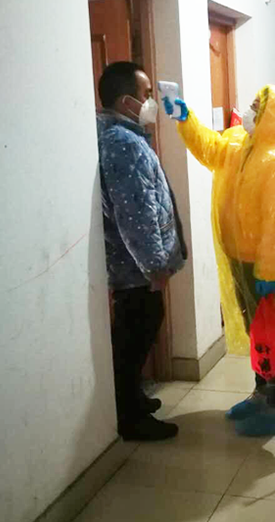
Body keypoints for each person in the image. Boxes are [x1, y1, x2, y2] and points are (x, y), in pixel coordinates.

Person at [163, 85, 275, 436]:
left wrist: (268, 271)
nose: (249, 111)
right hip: (237, 256)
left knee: (272, 336)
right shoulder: (239, 144)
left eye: (258, 107)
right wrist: (186, 119)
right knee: (255, 332)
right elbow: (210, 149)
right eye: (253, 105)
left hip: (262, 267)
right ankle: (260, 394)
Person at [97, 61, 187, 442]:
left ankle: (133, 398)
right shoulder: (123, 143)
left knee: (138, 332)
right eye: (146, 94)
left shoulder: (123, 136)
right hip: (135, 269)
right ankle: (130, 417)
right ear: (126, 101)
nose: (151, 101)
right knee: (134, 338)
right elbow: (136, 212)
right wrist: (155, 266)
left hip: (133, 267)